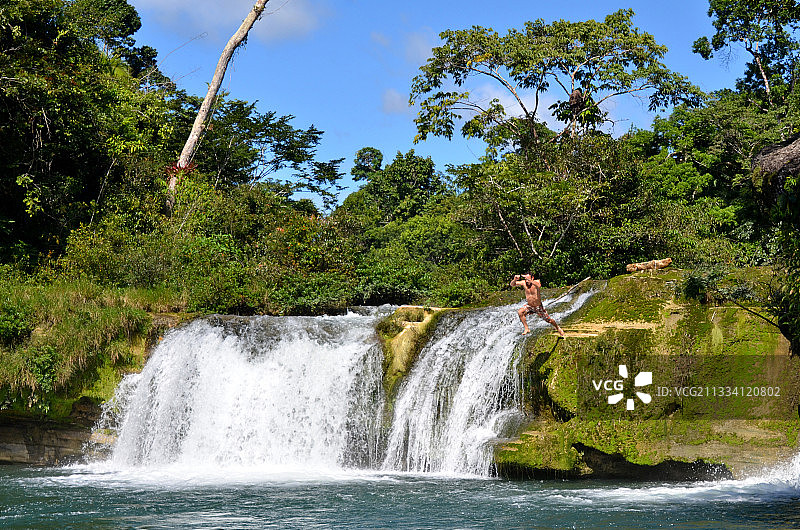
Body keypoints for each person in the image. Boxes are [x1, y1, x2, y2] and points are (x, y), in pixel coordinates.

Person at [510, 273, 566, 338]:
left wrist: (530, 280)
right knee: (520, 312)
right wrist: (515, 279)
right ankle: (526, 328)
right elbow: (512, 284)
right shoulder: (524, 283)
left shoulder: (536, 282)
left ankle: (557, 327)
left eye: (528, 279)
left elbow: (538, 285)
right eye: (526, 279)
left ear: (532, 278)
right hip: (529, 306)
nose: (527, 281)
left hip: (538, 307)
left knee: (549, 320)